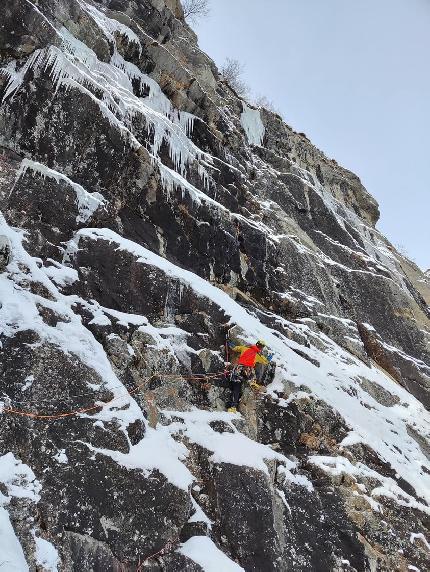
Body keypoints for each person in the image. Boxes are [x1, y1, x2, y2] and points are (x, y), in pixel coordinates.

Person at [226, 340, 269, 413]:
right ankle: (252, 382)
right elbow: (265, 362)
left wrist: (229, 343)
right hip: (248, 370)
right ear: (261, 348)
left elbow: (234, 348)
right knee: (242, 385)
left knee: (236, 386)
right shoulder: (258, 355)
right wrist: (268, 359)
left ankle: (232, 405)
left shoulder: (244, 348)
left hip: (239, 368)